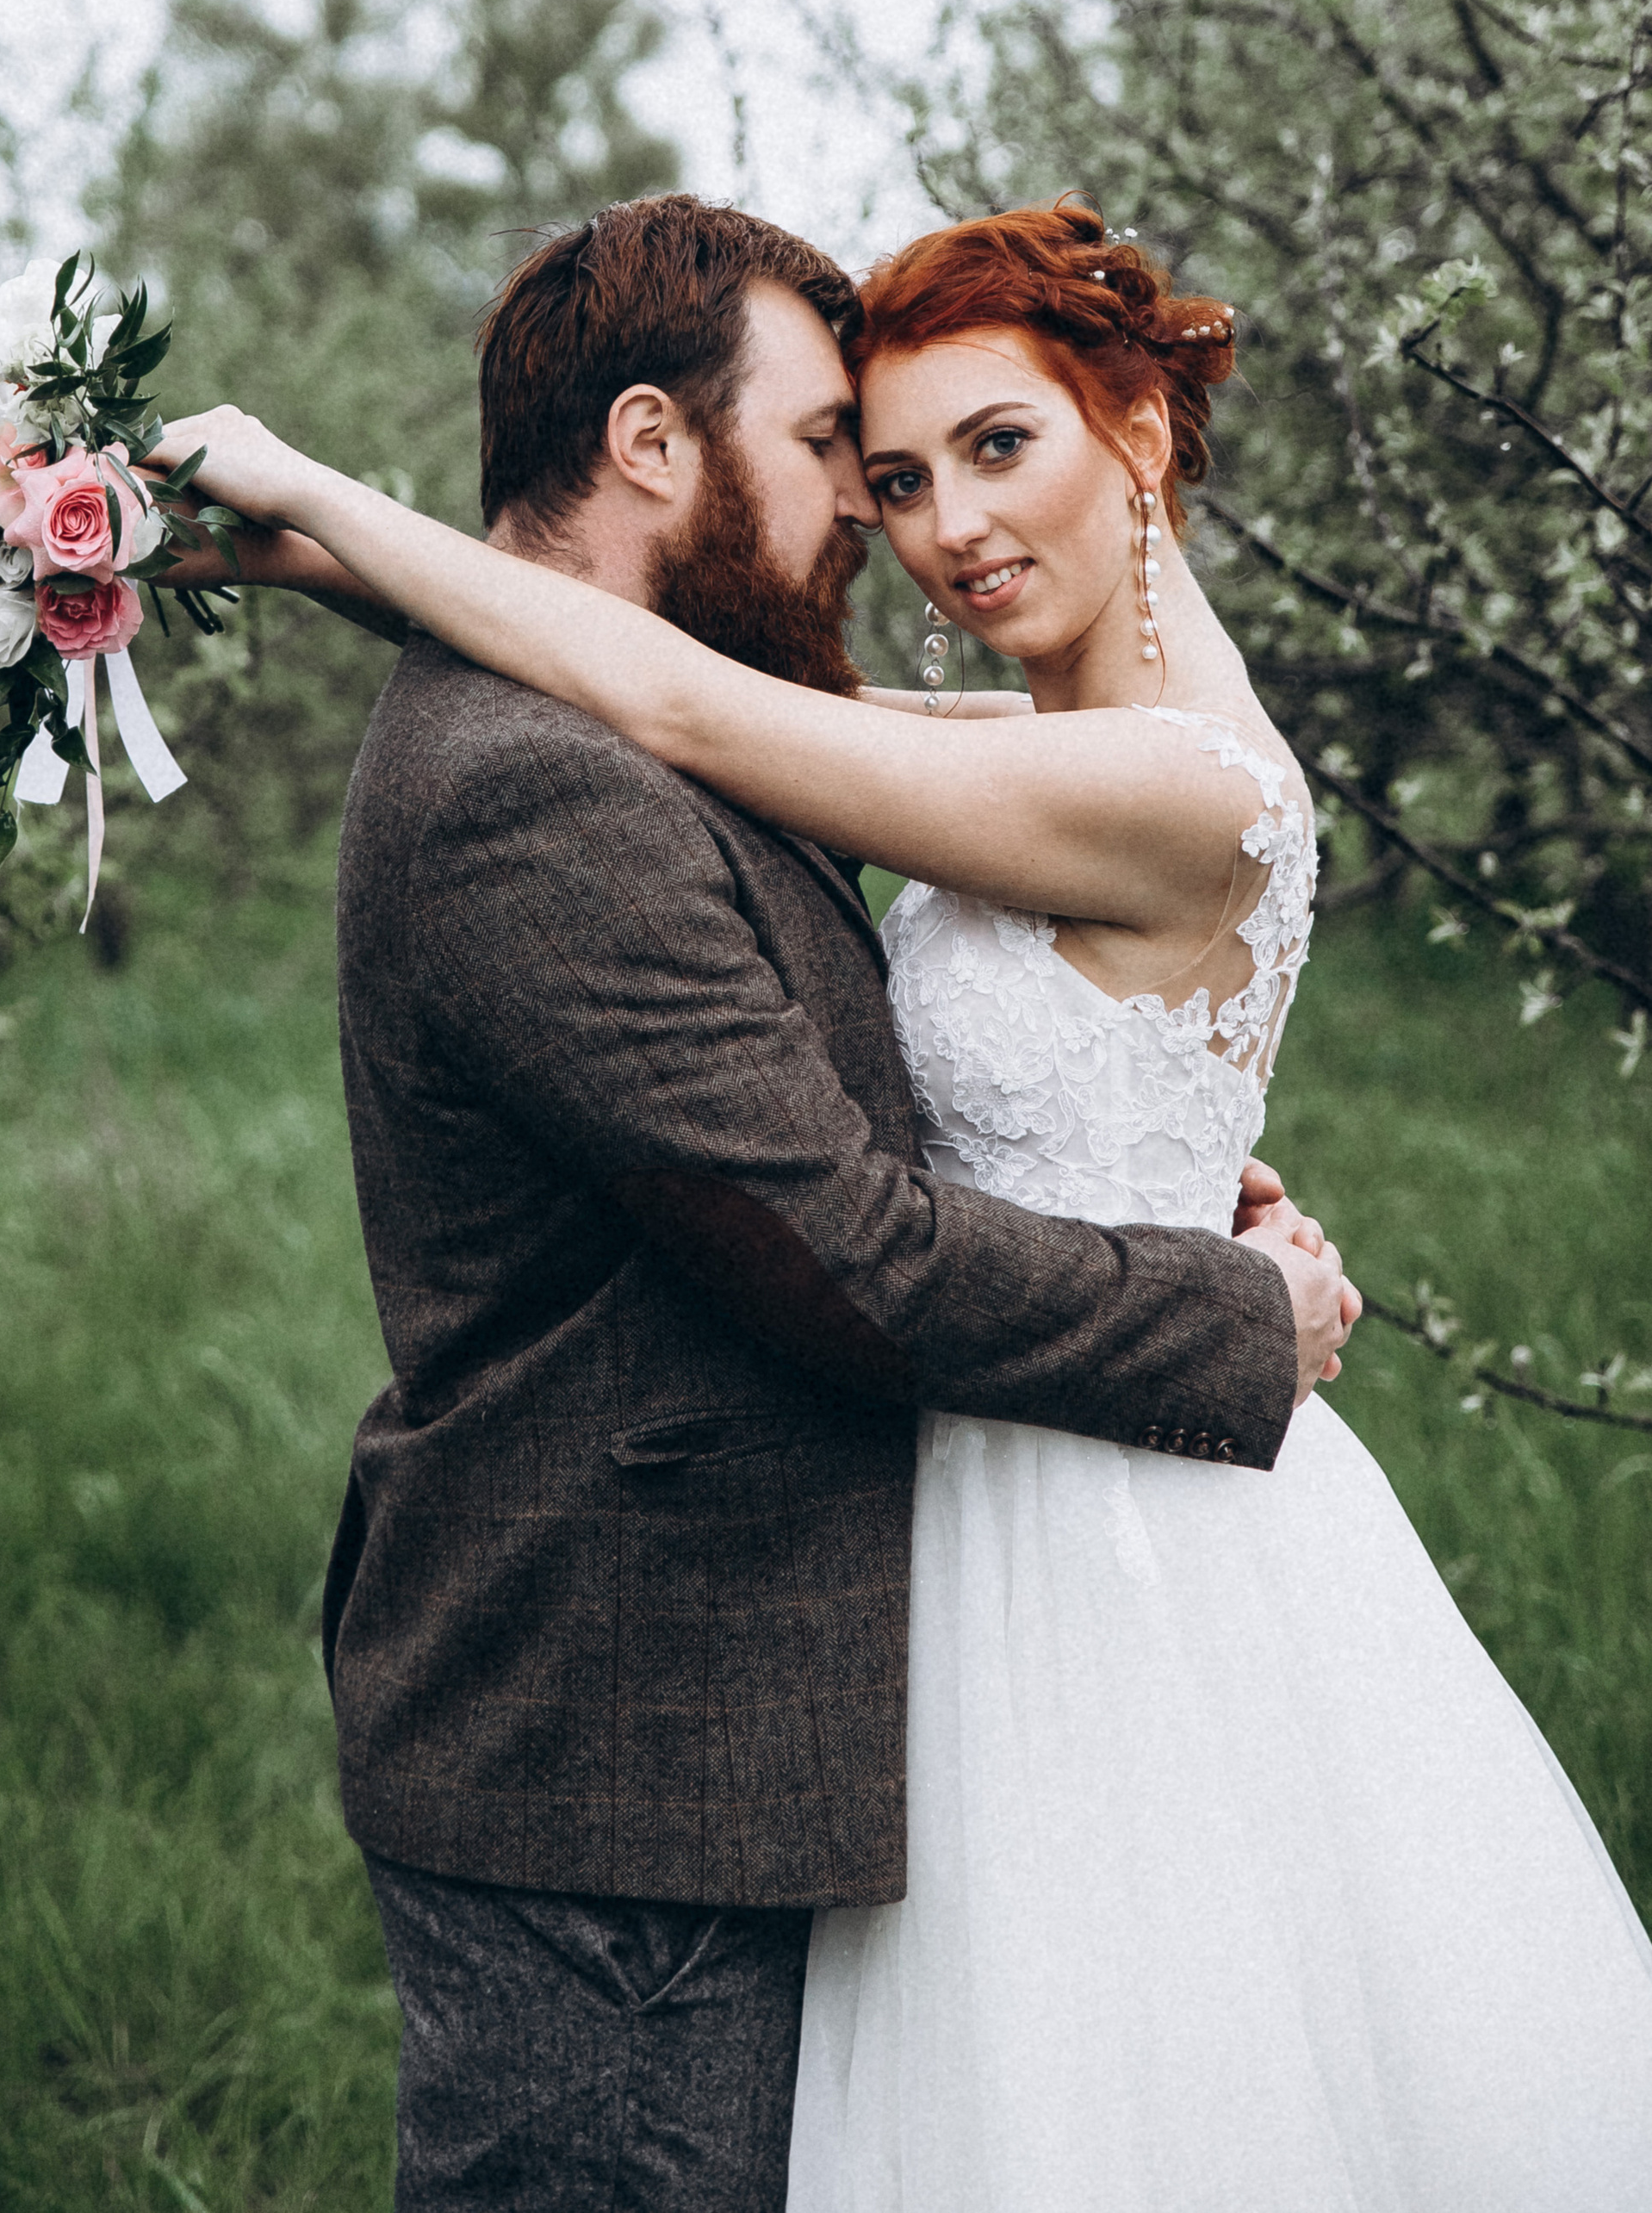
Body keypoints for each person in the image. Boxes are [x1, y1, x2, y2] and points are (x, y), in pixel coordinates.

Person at [155, 192, 1652, 2210]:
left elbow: (694, 713)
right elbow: (666, 692)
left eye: (995, 448)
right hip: (933, 1516)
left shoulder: (1190, 787)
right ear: (655, 446)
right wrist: (320, 562)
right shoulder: (1017, 741)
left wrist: (308, 488)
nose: (935, 528)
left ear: (1137, 431)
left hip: (1104, 1526)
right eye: (881, 473)